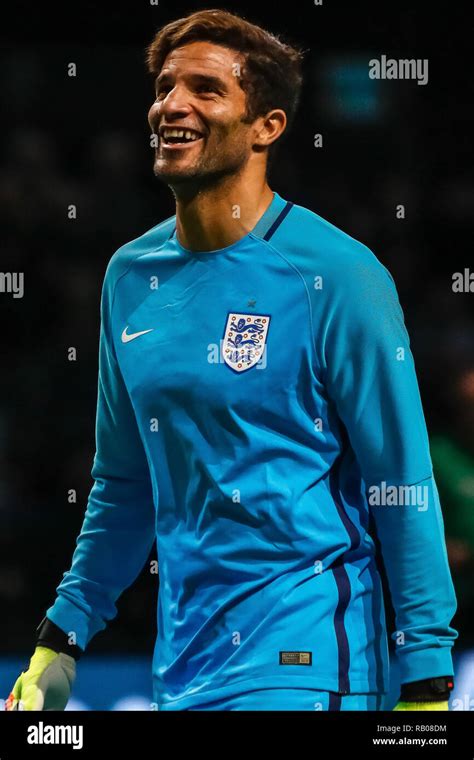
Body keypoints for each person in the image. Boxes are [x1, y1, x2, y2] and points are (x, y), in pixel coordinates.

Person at [6, 8, 457, 712]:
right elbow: (125, 484)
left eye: (206, 89)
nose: (171, 105)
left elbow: (400, 478)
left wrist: (427, 675)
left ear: (266, 126)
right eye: (164, 86)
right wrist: (60, 638)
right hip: (180, 670)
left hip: (308, 662)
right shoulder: (130, 277)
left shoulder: (336, 275)